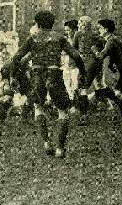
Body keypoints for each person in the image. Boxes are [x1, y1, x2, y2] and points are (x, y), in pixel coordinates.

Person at [6, 10, 87, 158]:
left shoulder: (33, 37)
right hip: (54, 75)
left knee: (39, 108)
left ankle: (46, 142)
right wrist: (83, 72)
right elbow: (75, 55)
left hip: (37, 76)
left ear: (37, 24)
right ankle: (60, 148)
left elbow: (16, 58)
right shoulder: (59, 37)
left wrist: (12, 76)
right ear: (52, 23)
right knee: (63, 112)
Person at [92, 19, 122, 118]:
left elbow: (101, 55)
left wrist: (94, 50)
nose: (98, 30)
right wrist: (112, 64)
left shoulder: (111, 40)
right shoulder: (113, 39)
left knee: (119, 93)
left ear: (105, 29)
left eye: (99, 28)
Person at [73, 16, 118, 111]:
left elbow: (105, 45)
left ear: (85, 24)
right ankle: (112, 101)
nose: (79, 24)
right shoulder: (79, 34)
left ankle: (83, 110)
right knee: (98, 84)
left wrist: (97, 53)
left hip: (90, 61)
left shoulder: (92, 35)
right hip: (90, 61)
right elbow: (75, 48)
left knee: (83, 85)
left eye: (81, 22)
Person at [62, 19, 80, 101]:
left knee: (75, 86)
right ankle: (71, 102)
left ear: (75, 30)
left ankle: (77, 102)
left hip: (75, 67)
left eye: (68, 30)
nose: (67, 32)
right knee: (67, 85)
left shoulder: (79, 41)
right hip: (66, 66)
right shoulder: (64, 40)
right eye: (65, 30)